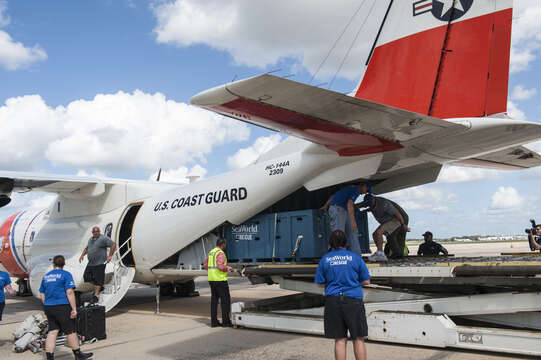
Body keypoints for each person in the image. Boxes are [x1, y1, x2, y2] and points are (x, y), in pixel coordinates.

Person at [315, 230, 370, 360]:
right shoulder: (355, 257)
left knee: (340, 339)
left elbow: (319, 283)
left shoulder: (325, 259)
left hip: (333, 301)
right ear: (346, 242)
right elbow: (366, 280)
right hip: (353, 301)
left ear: (331, 243)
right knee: (358, 338)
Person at [39, 255, 93, 360]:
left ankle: (50, 357)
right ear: (63, 264)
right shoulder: (66, 274)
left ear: (53, 264)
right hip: (62, 306)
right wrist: (74, 308)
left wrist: (46, 304)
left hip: (49, 307)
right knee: (70, 331)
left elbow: (42, 292)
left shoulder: (46, 276)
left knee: (52, 331)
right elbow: (69, 292)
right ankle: (78, 354)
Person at [320, 182, 372, 254]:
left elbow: (333, 196)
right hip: (338, 209)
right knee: (339, 232)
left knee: (352, 231)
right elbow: (350, 204)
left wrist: (326, 205)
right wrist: (353, 221)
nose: (364, 193)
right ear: (364, 186)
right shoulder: (356, 189)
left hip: (341, 209)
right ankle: (336, 254)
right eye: (367, 190)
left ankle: (355, 254)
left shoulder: (348, 188)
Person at [361, 194, 410, 262]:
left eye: (370, 203)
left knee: (379, 232)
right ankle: (380, 253)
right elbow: (367, 206)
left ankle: (381, 255)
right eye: (368, 204)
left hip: (396, 220)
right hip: (388, 221)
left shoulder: (384, 204)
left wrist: (403, 224)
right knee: (375, 234)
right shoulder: (371, 203)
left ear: (374, 199)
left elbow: (397, 214)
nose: (370, 205)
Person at [79, 226, 116, 304]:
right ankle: (100, 286)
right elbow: (87, 248)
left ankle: (96, 295)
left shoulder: (103, 238)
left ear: (99, 231)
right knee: (86, 277)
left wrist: (110, 256)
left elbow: (113, 244)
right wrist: (82, 255)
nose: (95, 233)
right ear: (92, 233)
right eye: (94, 232)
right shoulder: (91, 239)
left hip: (100, 263)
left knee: (98, 280)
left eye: (97, 231)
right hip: (91, 263)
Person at [203, 238, 234, 327]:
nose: (226, 245)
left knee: (214, 301)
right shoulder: (220, 253)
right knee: (225, 301)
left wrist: (212, 271)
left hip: (211, 280)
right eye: (225, 244)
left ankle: (214, 322)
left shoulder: (211, 252)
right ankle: (226, 322)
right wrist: (228, 268)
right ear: (223, 244)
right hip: (220, 280)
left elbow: (205, 265)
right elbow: (220, 267)